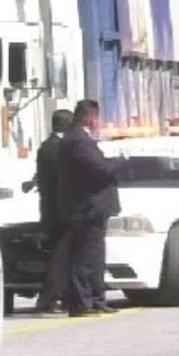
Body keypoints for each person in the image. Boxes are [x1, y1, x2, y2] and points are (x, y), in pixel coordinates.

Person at [57, 99, 126, 317]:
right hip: (86, 207)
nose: (97, 122)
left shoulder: (81, 139)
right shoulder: (78, 140)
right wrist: (120, 162)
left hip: (93, 208)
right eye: (95, 117)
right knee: (83, 258)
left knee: (95, 257)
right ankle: (81, 303)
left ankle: (97, 300)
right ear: (87, 117)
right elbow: (99, 169)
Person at [33, 108, 72, 314]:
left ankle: (59, 297)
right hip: (57, 210)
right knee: (59, 256)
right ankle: (49, 299)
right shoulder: (55, 148)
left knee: (62, 255)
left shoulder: (49, 146)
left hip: (54, 208)